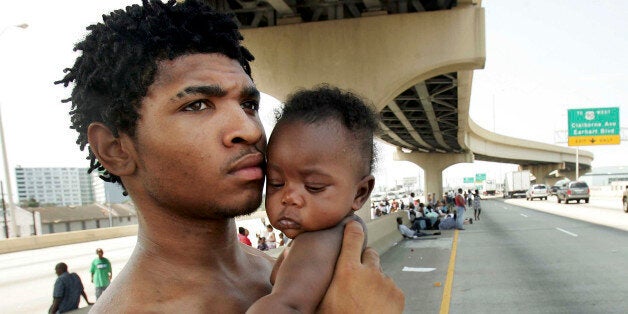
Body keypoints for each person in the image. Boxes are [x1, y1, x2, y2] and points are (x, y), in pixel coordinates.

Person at [56, 1, 402, 312]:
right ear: (115, 149)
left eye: (249, 104)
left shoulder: (280, 269)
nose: (250, 130)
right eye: (197, 105)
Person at [248, 86, 402, 312]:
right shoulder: (342, 231)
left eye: (314, 187)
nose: (289, 197)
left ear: (360, 193)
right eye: (276, 183)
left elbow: (282, 304)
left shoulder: (318, 242)